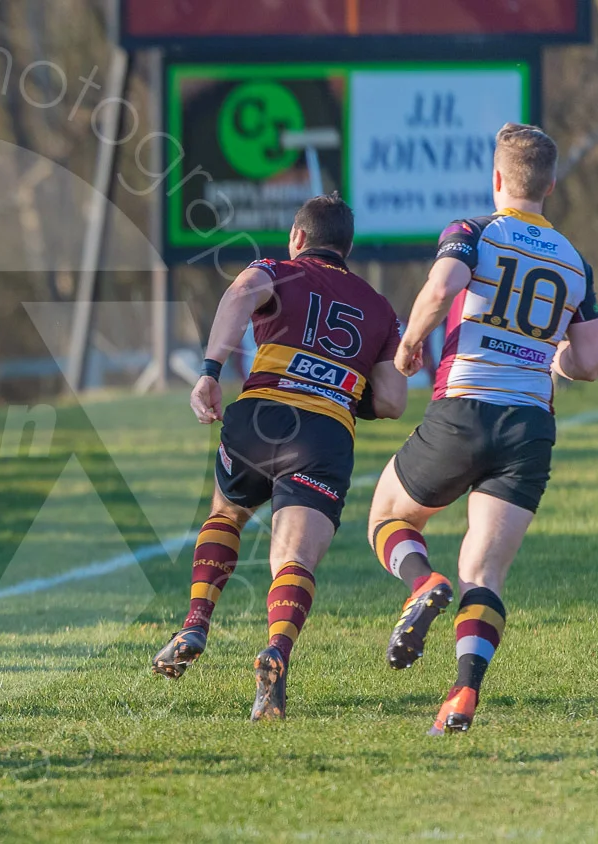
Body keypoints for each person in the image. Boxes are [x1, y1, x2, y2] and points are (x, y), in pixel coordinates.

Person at [365, 123, 598, 736]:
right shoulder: (577, 262)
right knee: (486, 572)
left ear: (497, 179)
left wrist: (412, 343)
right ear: (549, 185)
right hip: (530, 427)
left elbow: (443, 287)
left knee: (387, 516)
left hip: (465, 408)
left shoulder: (473, 232)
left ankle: (422, 582)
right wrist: (552, 357)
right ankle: (462, 695)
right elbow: (591, 363)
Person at [151, 194, 408, 721]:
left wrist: (209, 369)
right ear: (347, 249)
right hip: (322, 435)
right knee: (293, 559)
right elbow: (392, 401)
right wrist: (341, 381)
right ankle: (276, 655)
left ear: (297, 237)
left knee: (226, 514)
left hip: (258, 419)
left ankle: (196, 621)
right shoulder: (380, 309)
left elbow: (243, 291)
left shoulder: (277, 269)